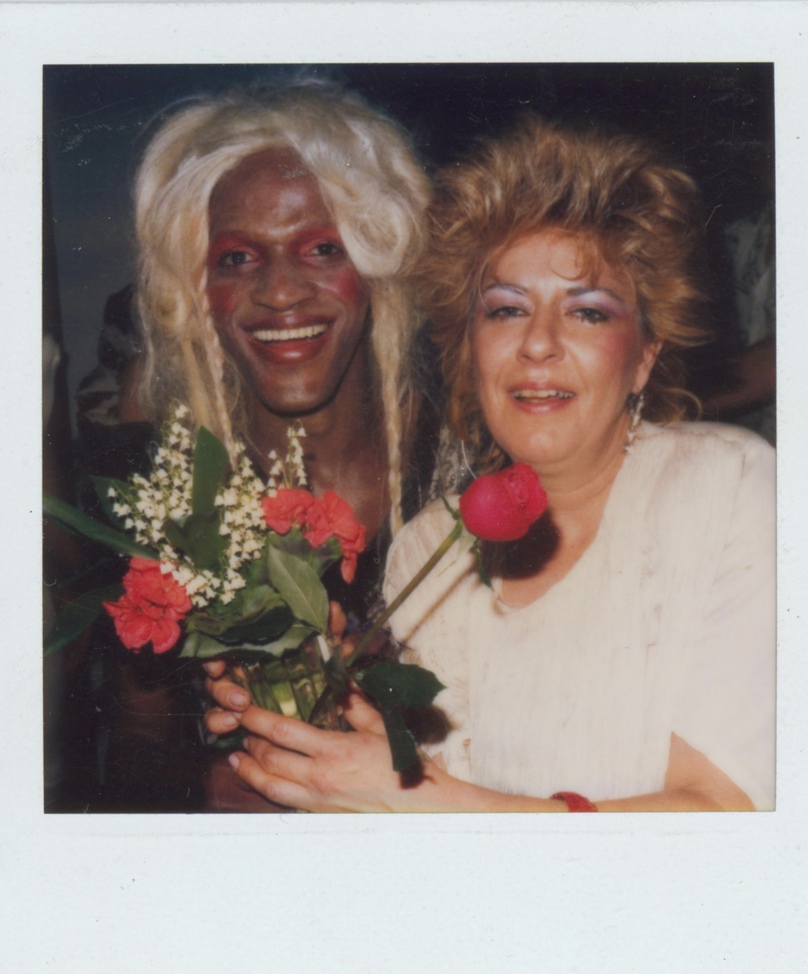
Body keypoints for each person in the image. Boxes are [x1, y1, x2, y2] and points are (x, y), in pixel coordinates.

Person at [205, 116, 775, 813]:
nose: (537, 344)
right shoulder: (427, 548)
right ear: (468, 347)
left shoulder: (731, 487)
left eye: (588, 314)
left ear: (644, 357)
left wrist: (424, 807)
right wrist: (314, 699)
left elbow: (724, 818)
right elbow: (432, 796)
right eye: (505, 310)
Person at [60, 80, 435, 811]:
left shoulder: (469, 454)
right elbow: (120, 757)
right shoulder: (154, 504)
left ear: (378, 261)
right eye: (237, 258)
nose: (281, 292)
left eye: (323, 248)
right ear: (194, 288)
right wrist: (208, 789)